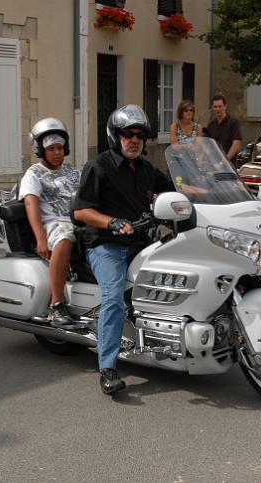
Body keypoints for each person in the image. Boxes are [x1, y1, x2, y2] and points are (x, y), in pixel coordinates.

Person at [73, 105, 173, 395]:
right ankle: (107, 367)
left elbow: (173, 190)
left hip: (141, 243)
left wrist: (204, 190)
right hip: (106, 245)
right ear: (115, 136)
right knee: (114, 298)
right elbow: (81, 211)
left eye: (140, 135)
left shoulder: (147, 169)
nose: (134, 140)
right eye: (128, 134)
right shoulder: (98, 167)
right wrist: (112, 222)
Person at [19, 117, 83, 329]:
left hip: (78, 219)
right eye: (51, 148)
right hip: (54, 223)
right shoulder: (34, 173)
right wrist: (41, 239)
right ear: (41, 150)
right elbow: (31, 204)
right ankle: (56, 305)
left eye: (60, 148)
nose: (57, 152)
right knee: (65, 238)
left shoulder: (73, 171)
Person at [205, 94, 243, 167]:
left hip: (229, 165)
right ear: (212, 108)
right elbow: (207, 144)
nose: (218, 109)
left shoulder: (233, 123)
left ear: (225, 106)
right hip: (214, 164)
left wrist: (224, 161)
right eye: (215, 107)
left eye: (220, 106)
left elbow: (237, 143)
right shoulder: (211, 125)